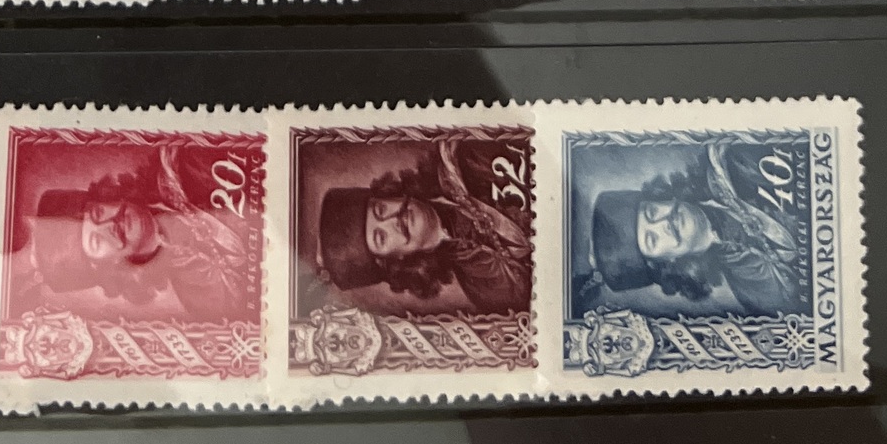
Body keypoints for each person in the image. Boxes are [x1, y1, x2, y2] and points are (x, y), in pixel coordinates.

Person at [20, 144, 255, 320]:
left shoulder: (181, 163)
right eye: (97, 241)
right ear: (107, 266)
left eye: (99, 212)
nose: (112, 225)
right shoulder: (204, 302)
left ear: (108, 197)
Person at [314, 134, 531, 314]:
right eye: (381, 237)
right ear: (394, 260)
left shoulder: (463, 155)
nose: (394, 221)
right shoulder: (487, 291)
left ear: (389, 194)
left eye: (380, 209)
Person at [585, 141, 803, 314]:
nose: (664, 224)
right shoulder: (758, 294)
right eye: (653, 239)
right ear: (665, 263)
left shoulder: (731, 160)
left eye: (651, 212)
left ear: (660, 197)